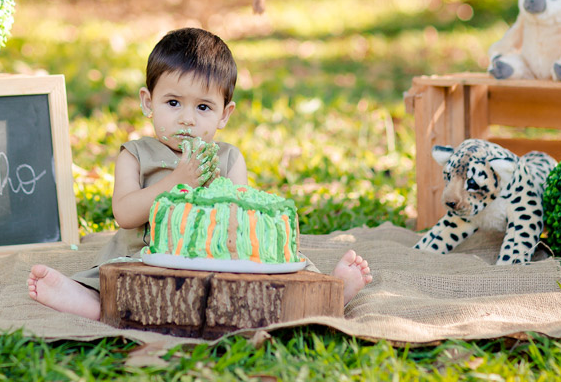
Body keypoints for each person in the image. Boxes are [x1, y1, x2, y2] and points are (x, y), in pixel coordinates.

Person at [28, 27, 372, 320]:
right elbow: (125, 215)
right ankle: (92, 305)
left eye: (203, 107)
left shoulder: (227, 158)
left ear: (224, 114)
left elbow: (240, 217)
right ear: (148, 102)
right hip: (145, 258)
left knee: (282, 265)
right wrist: (177, 181)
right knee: (110, 278)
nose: (187, 119)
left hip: (218, 258)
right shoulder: (136, 155)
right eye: (173, 103)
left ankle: (327, 296)